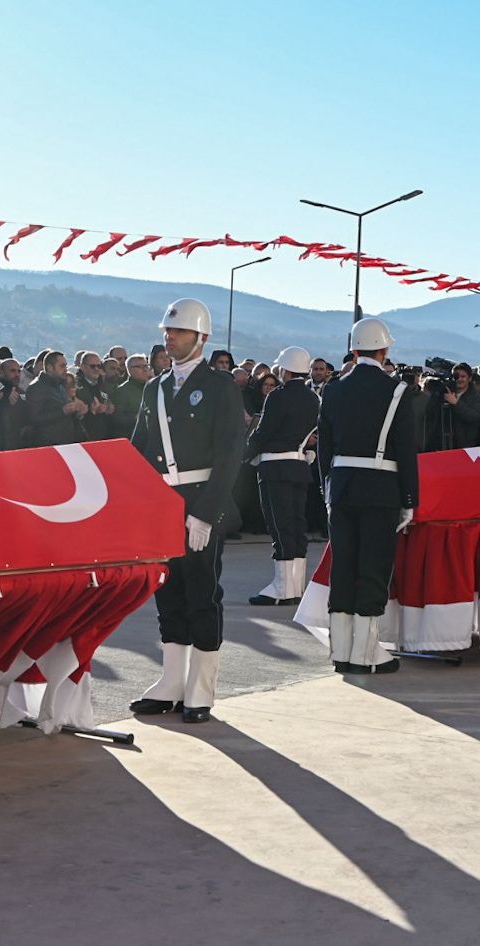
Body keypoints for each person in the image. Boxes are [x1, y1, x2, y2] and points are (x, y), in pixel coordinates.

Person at [128, 299, 245, 724]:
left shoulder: (220, 386)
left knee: (202, 593)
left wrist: (206, 512)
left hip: (200, 499)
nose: (169, 337)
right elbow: (141, 449)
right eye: (166, 331)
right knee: (168, 593)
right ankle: (171, 682)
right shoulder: (154, 388)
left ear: (201, 338)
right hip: (163, 503)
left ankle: (201, 688)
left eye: (177, 332)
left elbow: (231, 453)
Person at [317, 318, 419, 675]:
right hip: (381, 489)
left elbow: (324, 449)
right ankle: (366, 652)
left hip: (341, 487)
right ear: (385, 350)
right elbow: (406, 450)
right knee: (374, 568)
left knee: (343, 566)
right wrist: (410, 498)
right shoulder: (398, 391)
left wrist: (326, 488)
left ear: (355, 349)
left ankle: (341, 651)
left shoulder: (333, 389)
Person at [244, 346, 320, 607]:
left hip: (276, 468)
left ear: (285, 370)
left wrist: (243, 455)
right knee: (297, 527)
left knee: (280, 527)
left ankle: (282, 588)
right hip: (299, 468)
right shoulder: (313, 398)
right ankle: (296, 586)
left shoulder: (278, 396)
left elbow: (263, 432)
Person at [22, 351, 87, 447]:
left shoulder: (59, 386)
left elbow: (66, 414)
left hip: (66, 443)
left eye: (66, 366)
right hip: (48, 446)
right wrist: (62, 411)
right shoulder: (36, 388)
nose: (66, 369)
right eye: (62, 366)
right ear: (50, 368)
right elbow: (33, 418)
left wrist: (77, 412)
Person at [111, 353, 151, 435]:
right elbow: (118, 418)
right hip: (132, 436)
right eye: (140, 367)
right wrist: (138, 417)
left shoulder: (152, 388)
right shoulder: (121, 391)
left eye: (146, 366)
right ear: (130, 369)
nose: (145, 369)